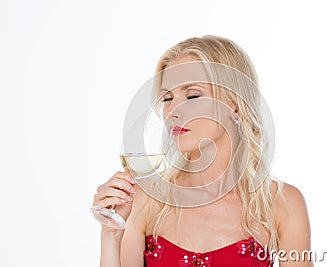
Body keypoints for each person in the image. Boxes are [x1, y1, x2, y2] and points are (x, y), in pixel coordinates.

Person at [93, 35, 313, 267]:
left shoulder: (282, 203)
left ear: (233, 103)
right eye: (167, 97)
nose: (171, 111)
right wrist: (111, 233)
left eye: (192, 95)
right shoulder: (146, 199)